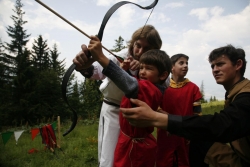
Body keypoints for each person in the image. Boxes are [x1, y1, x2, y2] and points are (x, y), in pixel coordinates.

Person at [120, 44, 250, 167]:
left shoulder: (246, 96)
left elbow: (223, 125)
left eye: (220, 64)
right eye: (212, 66)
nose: (215, 70)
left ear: (238, 64)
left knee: (194, 146)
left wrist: (157, 118)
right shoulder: (236, 93)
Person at [73, 25, 169, 167]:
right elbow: (95, 72)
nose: (140, 51)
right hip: (112, 112)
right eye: (138, 45)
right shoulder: (122, 55)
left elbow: (160, 86)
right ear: (133, 42)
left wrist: (140, 68)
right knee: (109, 158)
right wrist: (84, 65)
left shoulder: (157, 65)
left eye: (147, 48)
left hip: (137, 119)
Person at [156, 54, 202, 167]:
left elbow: (197, 114)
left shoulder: (193, 88)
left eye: (187, 63)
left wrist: (193, 132)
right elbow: (156, 108)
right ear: (172, 67)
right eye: (181, 63)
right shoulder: (163, 88)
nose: (185, 66)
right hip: (165, 134)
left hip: (185, 135)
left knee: (184, 161)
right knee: (164, 161)